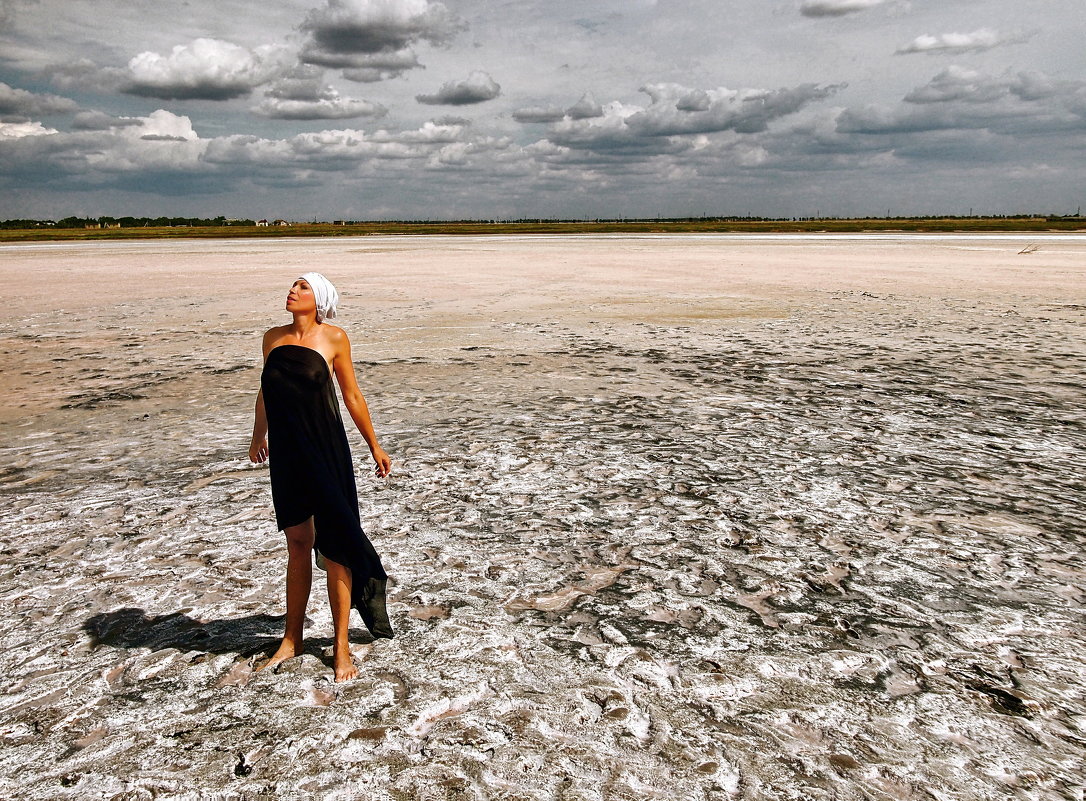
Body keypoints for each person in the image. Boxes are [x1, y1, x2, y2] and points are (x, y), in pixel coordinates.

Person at [248, 272, 394, 683]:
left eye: (303, 287)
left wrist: (374, 445)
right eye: (293, 285)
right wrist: (258, 434)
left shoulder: (334, 338)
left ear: (320, 298)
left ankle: (341, 645)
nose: (293, 291)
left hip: (326, 450)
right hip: (288, 454)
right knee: (297, 543)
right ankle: (291, 639)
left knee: (335, 547)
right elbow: (265, 391)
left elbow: (351, 395)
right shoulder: (271, 338)